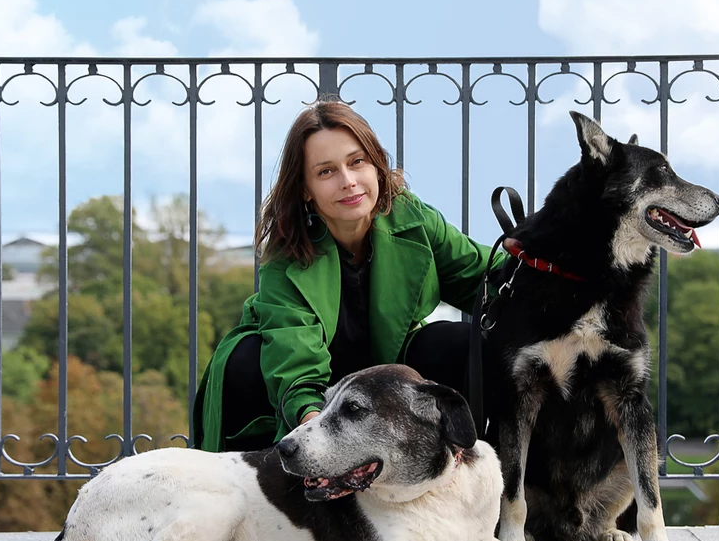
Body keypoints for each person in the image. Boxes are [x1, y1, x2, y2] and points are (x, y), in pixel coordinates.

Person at [192, 98, 506, 453]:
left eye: (357, 162)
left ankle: (471, 465)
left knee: (454, 340)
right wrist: (318, 435)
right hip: (294, 379)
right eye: (326, 172)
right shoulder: (287, 252)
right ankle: (261, 482)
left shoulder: (411, 219)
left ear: (376, 166)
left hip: (385, 373)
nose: (348, 181)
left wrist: (536, 258)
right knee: (249, 357)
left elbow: (484, 276)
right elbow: (294, 361)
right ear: (306, 190)